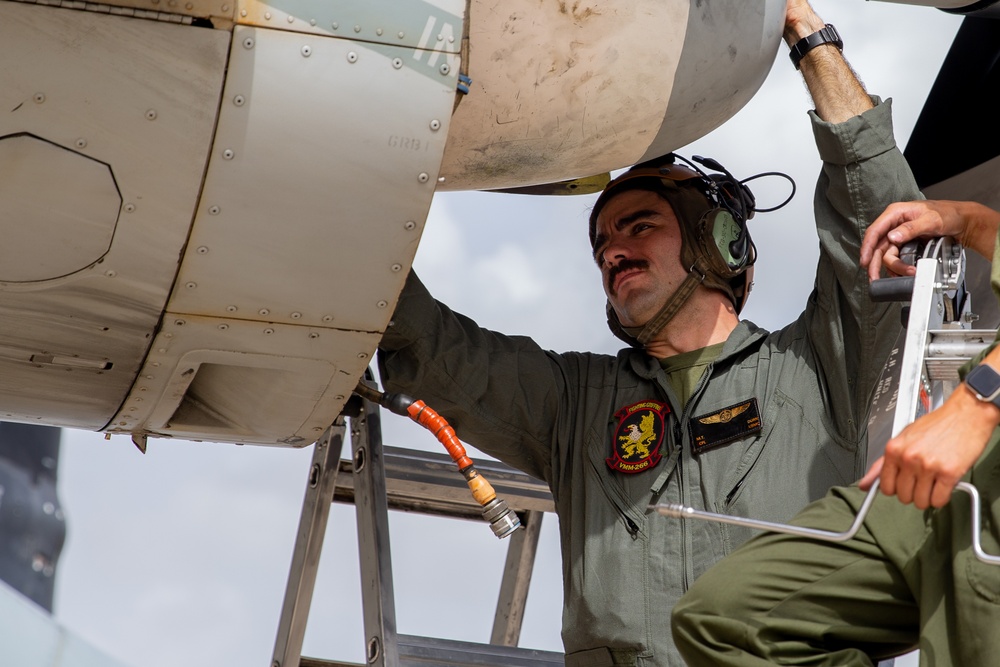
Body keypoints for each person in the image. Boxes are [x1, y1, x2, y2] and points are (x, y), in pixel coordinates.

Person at [377, 1, 921, 664]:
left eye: (638, 226)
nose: (612, 250)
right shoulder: (574, 403)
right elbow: (431, 347)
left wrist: (807, 35)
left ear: (717, 241)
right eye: (602, 241)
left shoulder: (816, 366)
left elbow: (884, 218)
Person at [670, 199, 1000, 666]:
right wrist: (970, 222)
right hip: (946, 485)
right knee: (722, 620)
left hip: (977, 456)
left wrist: (979, 402)